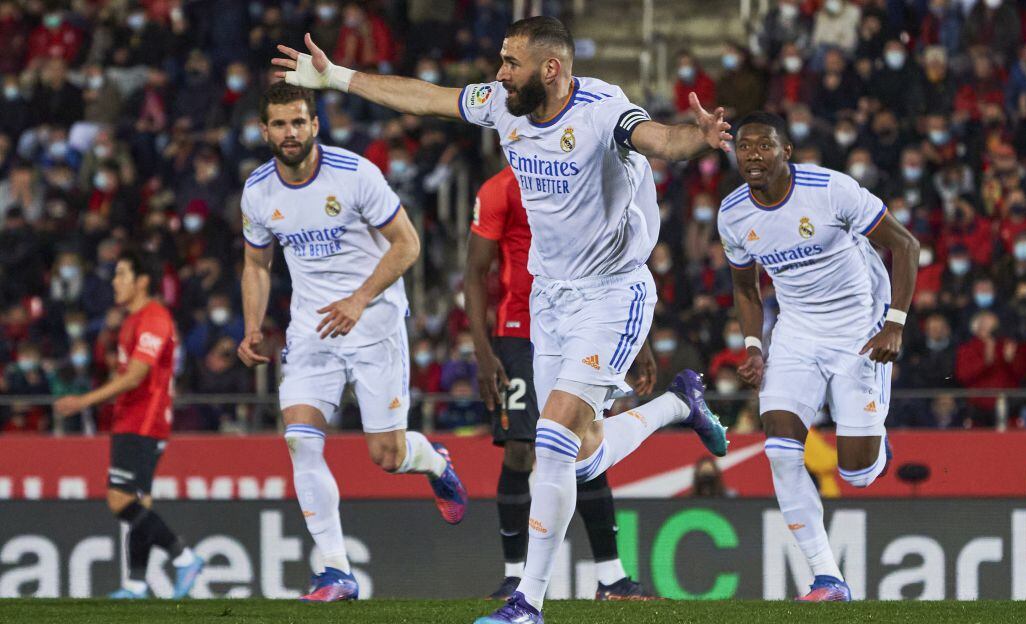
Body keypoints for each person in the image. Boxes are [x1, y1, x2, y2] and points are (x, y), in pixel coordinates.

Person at [271, 16, 731, 622]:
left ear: (551, 69)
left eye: (511, 62)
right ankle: (678, 404)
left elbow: (658, 141)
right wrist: (340, 78)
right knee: (582, 453)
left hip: (613, 292)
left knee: (553, 441)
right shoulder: (502, 104)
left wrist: (696, 137)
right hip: (549, 298)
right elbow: (427, 98)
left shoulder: (601, 109)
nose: (499, 72)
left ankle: (528, 601)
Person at [236, 81, 467, 603]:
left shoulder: (356, 174)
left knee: (386, 455)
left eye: (299, 121)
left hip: (374, 321)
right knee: (299, 439)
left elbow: (408, 244)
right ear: (264, 130)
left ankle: (434, 462)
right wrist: (253, 325)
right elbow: (256, 263)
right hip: (311, 328)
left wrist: (360, 299)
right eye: (279, 124)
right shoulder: (257, 191)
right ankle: (337, 570)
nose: (290, 132)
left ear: (315, 125)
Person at [718, 112, 919, 601]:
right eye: (744, 148)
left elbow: (906, 245)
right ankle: (828, 577)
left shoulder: (830, 190)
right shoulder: (733, 214)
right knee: (780, 451)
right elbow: (746, 286)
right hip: (797, 332)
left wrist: (894, 323)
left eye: (764, 146)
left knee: (855, 473)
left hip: (860, 328)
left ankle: (874, 448)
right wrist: (753, 345)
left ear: (787, 151)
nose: (753, 156)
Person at [465, 166, 656, 600]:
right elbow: (475, 271)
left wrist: (638, 337)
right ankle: (515, 575)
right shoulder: (499, 189)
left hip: (589, 320)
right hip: (519, 331)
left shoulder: (584, 174)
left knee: (579, 438)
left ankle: (611, 577)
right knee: (520, 449)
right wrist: (482, 350)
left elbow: (624, 260)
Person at [53, 249, 205, 599]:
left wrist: (84, 401)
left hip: (143, 420)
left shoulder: (154, 318)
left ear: (142, 281)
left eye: (122, 275)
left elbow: (137, 376)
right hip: (133, 418)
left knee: (119, 500)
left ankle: (184, 557)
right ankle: (136, 585)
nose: (115, 282)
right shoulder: (131, 320)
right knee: (141, 503)